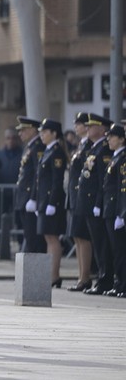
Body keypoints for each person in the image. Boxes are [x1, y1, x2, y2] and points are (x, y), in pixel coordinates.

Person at [77, 114, 114, 295]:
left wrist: (98, 203)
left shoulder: (103, 149)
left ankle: (105, 280)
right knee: (98, 243)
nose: (88, 128)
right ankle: (102, 278)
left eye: (92, 126)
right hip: (89, 204)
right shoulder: (94, 148)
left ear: (102, 129)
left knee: (102, 244)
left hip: (96, 205)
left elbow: (102, 181)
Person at [30, 119, 67, 287]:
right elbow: (40, 180)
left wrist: (52, 203)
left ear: (54, 133)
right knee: (48, 238)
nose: (41, 135)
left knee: (52, 238)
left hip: (52, 203)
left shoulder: (57, 152)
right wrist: (37, 200)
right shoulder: (47, 151)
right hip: (44, 202)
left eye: (45, 132)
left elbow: (56, 181)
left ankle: (54, 276)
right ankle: (51, 275)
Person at [67, 112, 94, 291]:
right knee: (77, 237)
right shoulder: (80, 146)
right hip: (76, 198)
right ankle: (81, 276)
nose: (76, 127)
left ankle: (85, 277)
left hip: (84, 199)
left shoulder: (89, 147)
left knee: (83, 237)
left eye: (80, 124)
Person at [15, 116, 46, 253]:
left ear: (33, 130)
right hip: (24, 198)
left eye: (23, 130)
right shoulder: (29, 147)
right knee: (29, 235)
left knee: (34, 238)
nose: (20, 133)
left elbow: (37, 175)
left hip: (30, 198)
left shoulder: (37, 148)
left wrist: (33, 198)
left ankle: (37, 271)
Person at [101, 123, 126, 296]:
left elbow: (122, 188)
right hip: (110, 209)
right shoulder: (115, 157)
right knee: (115, 250)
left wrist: (121, 213)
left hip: (117, 210)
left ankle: (123, 285)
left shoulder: (123, 158)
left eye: (112, 136)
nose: (108, 139)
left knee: (120, 251)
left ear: (122, 139)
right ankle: (119, 284)